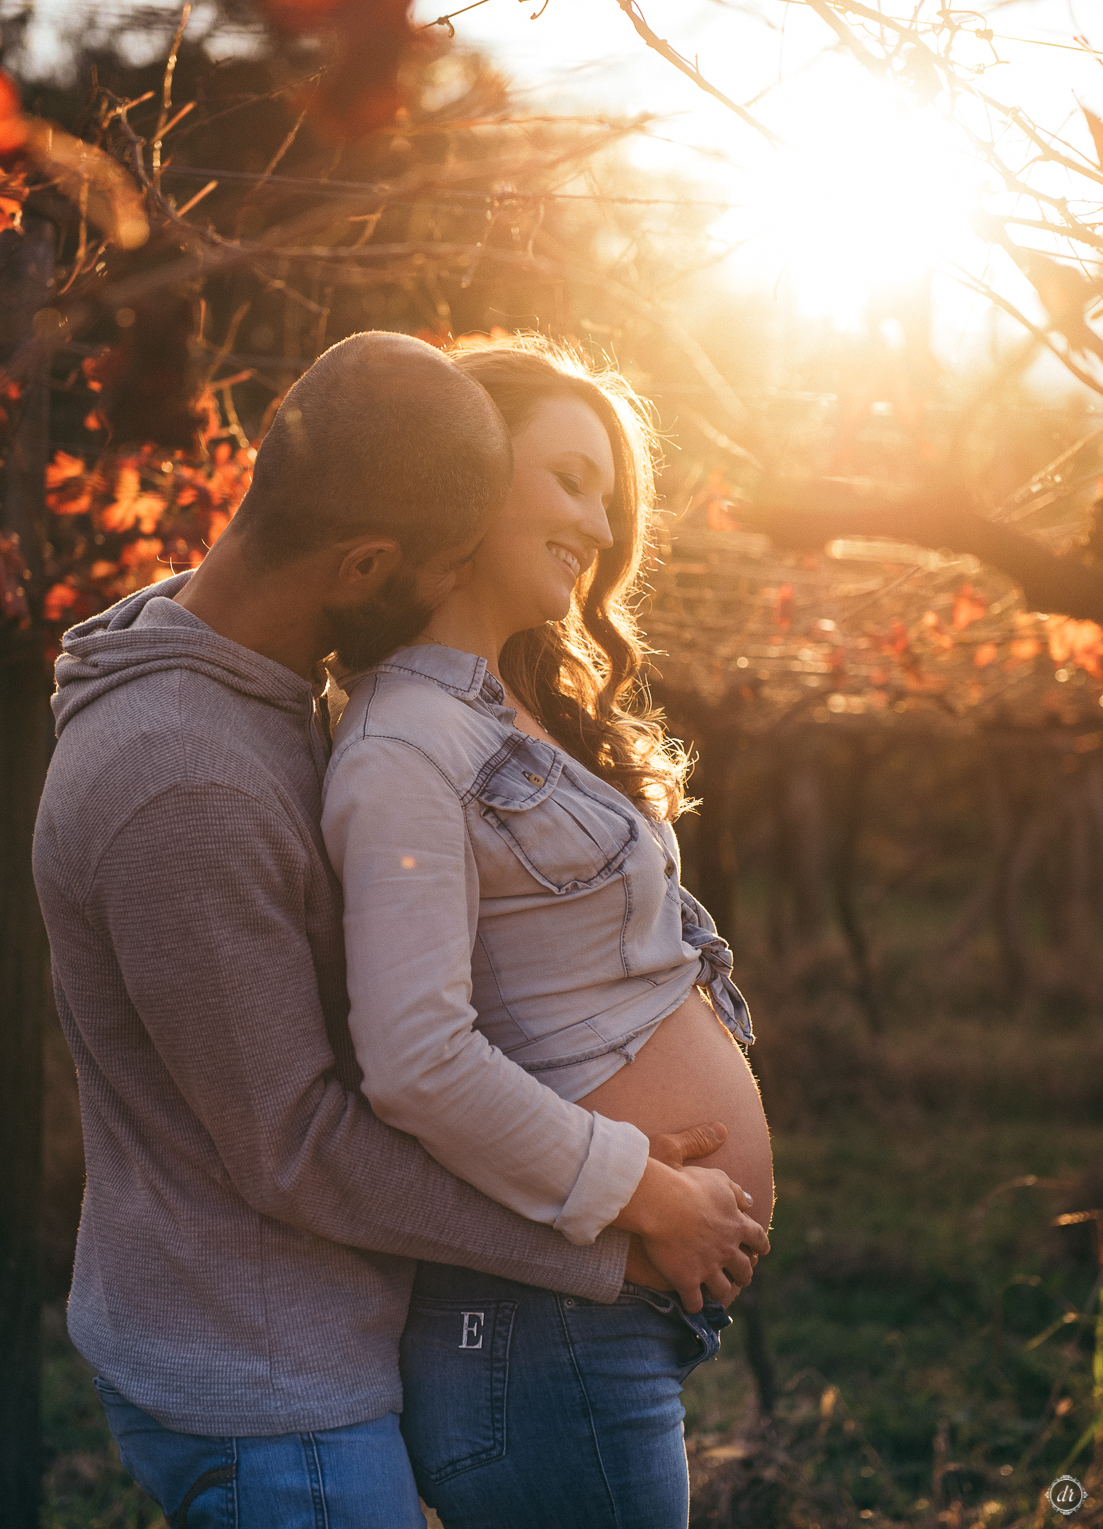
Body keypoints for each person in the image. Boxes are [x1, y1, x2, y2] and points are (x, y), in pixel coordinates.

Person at [33, 331, 767, 1529]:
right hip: (275, 1389)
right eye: (443, 564)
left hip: (332, 1348)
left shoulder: (248, 687)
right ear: (369, 562)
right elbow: (299, 1145)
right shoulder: (187, 779)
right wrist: (624, 1214)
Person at [322, 337, 774, 1529]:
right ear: (468, 474)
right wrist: (650, 1194)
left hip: (587, 1326)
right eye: (570, 478)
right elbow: (416, 1059)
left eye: (607, 497)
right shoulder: (404, 743)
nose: (599, 523)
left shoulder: (507, 708)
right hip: (539, 1328)